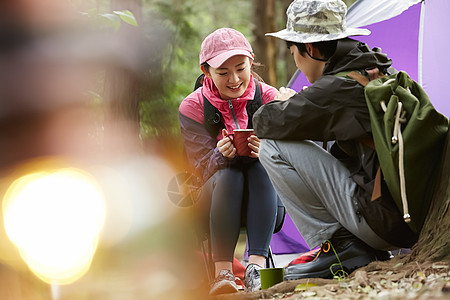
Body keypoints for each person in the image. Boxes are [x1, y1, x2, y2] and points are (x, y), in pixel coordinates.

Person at [253, 0, 419, 280]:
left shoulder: (336, 88)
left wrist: (284, 102)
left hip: (381, 223)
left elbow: (263, 122)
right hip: (400, 220)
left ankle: (340, 245)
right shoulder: (370, 70)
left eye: (294, 51)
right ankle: (351, 245)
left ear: (311, 48)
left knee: (272, 145)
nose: (295, 59)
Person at [179, 28, 280, 295]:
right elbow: (197, 170)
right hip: (212, 202)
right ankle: (222, 273)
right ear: (206, 71)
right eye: (223, 73)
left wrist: (268, 150)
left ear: (251, 61)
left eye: (240, 68)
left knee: (260, 165)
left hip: (265, 198)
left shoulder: (269, 98)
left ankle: (255, 268)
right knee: (229, 173)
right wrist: (219, 155)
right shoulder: (193, 107)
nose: (234, 79)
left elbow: (290, 159)